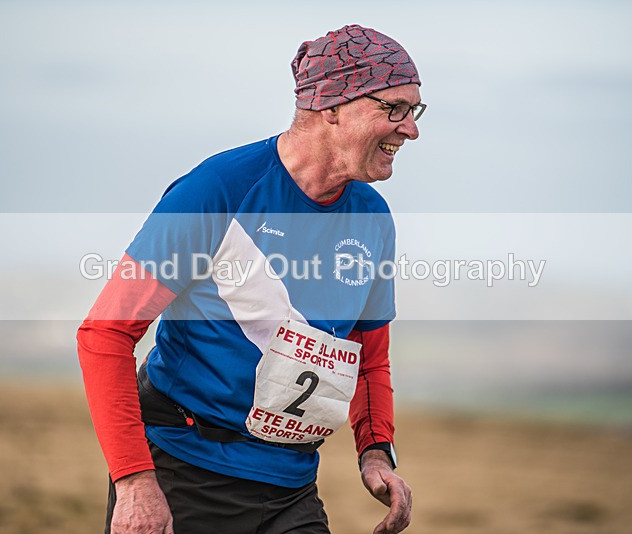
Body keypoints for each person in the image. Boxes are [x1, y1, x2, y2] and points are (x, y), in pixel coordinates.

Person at [77, 24, 424, 534]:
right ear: (331, 107)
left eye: (414, 111)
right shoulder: (217, 189)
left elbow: (369, 359)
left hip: (293, 490)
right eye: (393, 109)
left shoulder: (373, 218)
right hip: (182, 476)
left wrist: (376, 454)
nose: (410, 129)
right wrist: (133, 483)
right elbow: (103, 334)